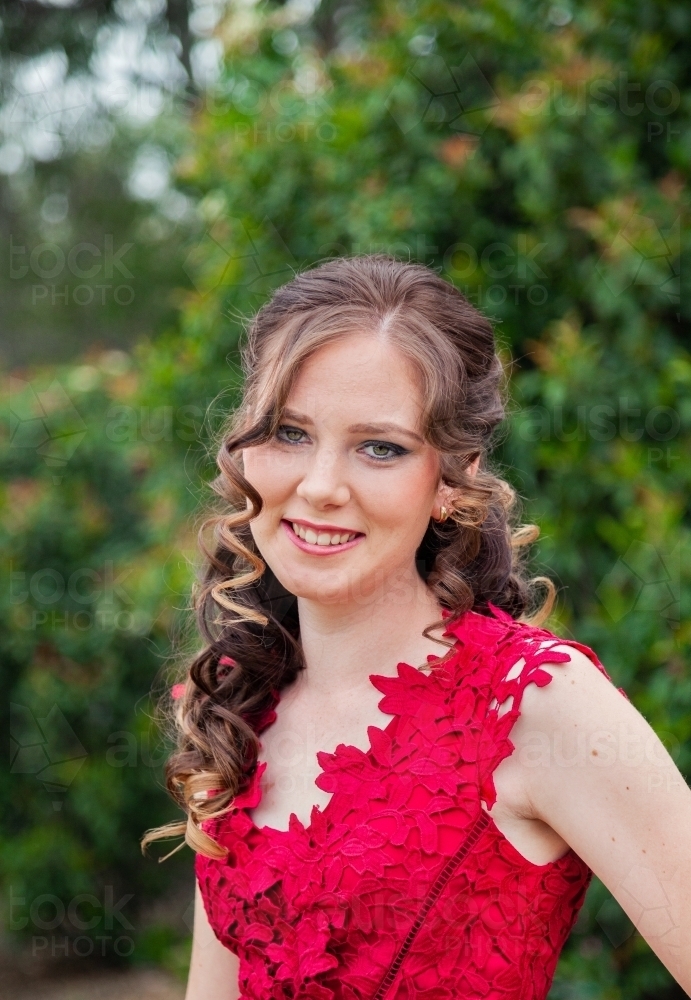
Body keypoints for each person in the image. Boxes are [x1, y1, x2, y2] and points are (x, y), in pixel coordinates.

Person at [143, 255, 691, 1000]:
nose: (321, 487)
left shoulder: (536, 704)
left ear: (450, 477)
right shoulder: (239, 702)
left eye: (381, 448)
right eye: (289, 432)